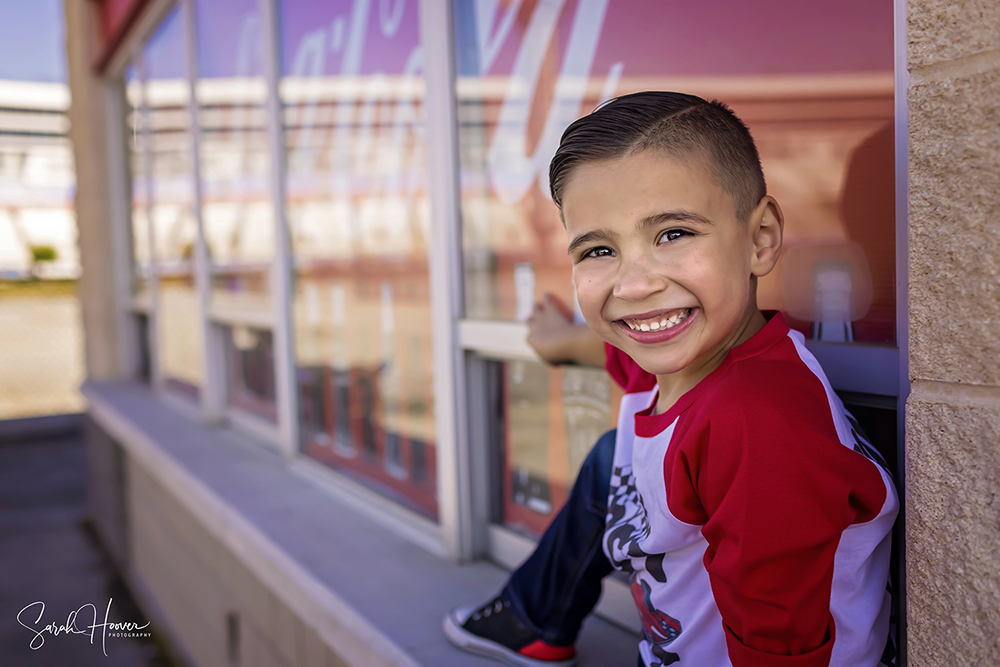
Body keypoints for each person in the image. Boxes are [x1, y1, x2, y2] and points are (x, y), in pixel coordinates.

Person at [443, 91, 898, 667]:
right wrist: (560, 339)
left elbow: (779, 648)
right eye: (600, 249)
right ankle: (535, 620)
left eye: (673, 234)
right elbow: (618, 355)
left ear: (760, 239)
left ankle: (533, 617)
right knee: (616, 455)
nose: (634, 285)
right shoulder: (683, 359)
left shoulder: (756, 421)